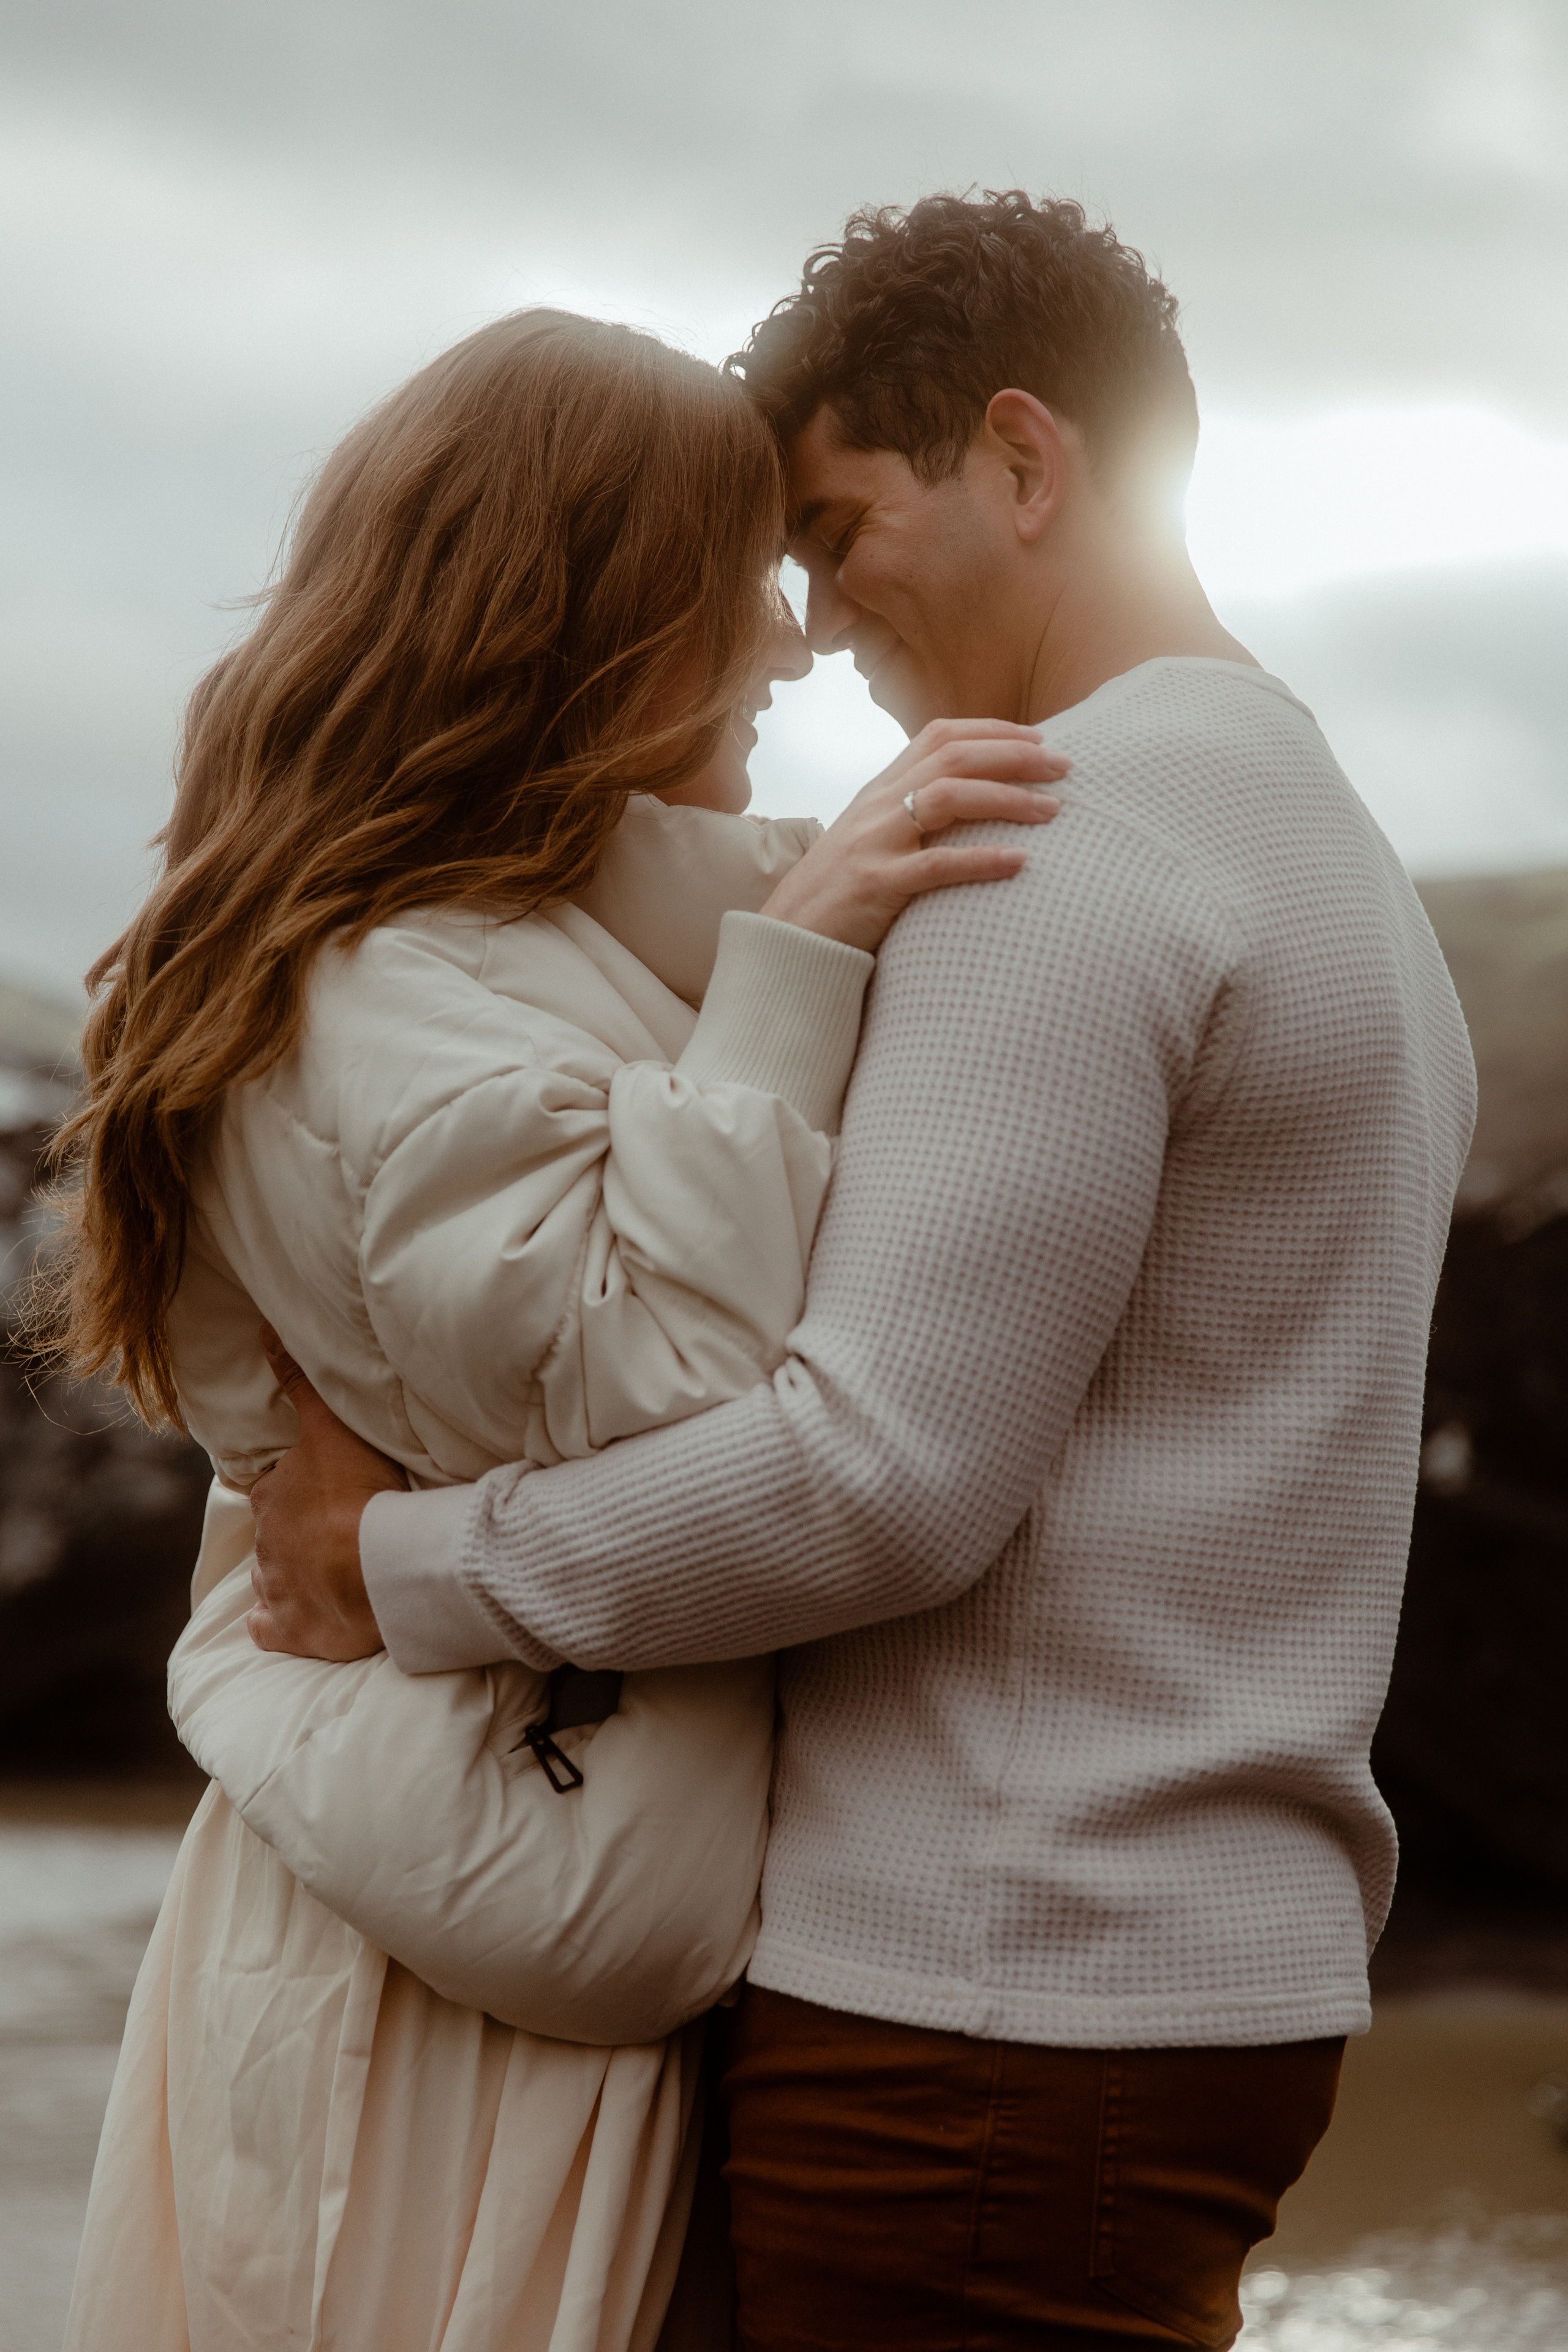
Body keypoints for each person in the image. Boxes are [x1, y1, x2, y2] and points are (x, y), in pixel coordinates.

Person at [252, 194, 1479, 2351]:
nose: (810, 624)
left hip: (985, 2003)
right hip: (1187, 1975)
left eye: (835, 528)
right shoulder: (1332, 850)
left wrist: (403, 1570)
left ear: (1024, 462)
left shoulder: (1057, 839)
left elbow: (873, 1476)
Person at [47, 306, 1061, 2352]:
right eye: (740, 580)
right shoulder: (384, 985)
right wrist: (795, 967)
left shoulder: (471, 948)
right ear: (586, 612)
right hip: (441, 2002)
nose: (792, 640)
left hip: (448, 1889)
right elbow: (674, 1399)